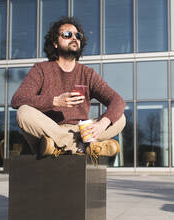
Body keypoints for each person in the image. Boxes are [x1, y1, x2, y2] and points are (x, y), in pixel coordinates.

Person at [11, 17, 126, 159]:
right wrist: (54, 101)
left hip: (81, 131)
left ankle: (64, 146)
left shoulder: (87, 73)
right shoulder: (41, 69)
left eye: (77, 36)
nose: (74, 38)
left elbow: (118, 100)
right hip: (50, 130)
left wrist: (102, 124)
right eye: (67, 35)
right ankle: (85, 147)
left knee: (119, 116)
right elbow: (18, 99)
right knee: (23, 112)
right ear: (55, 43)